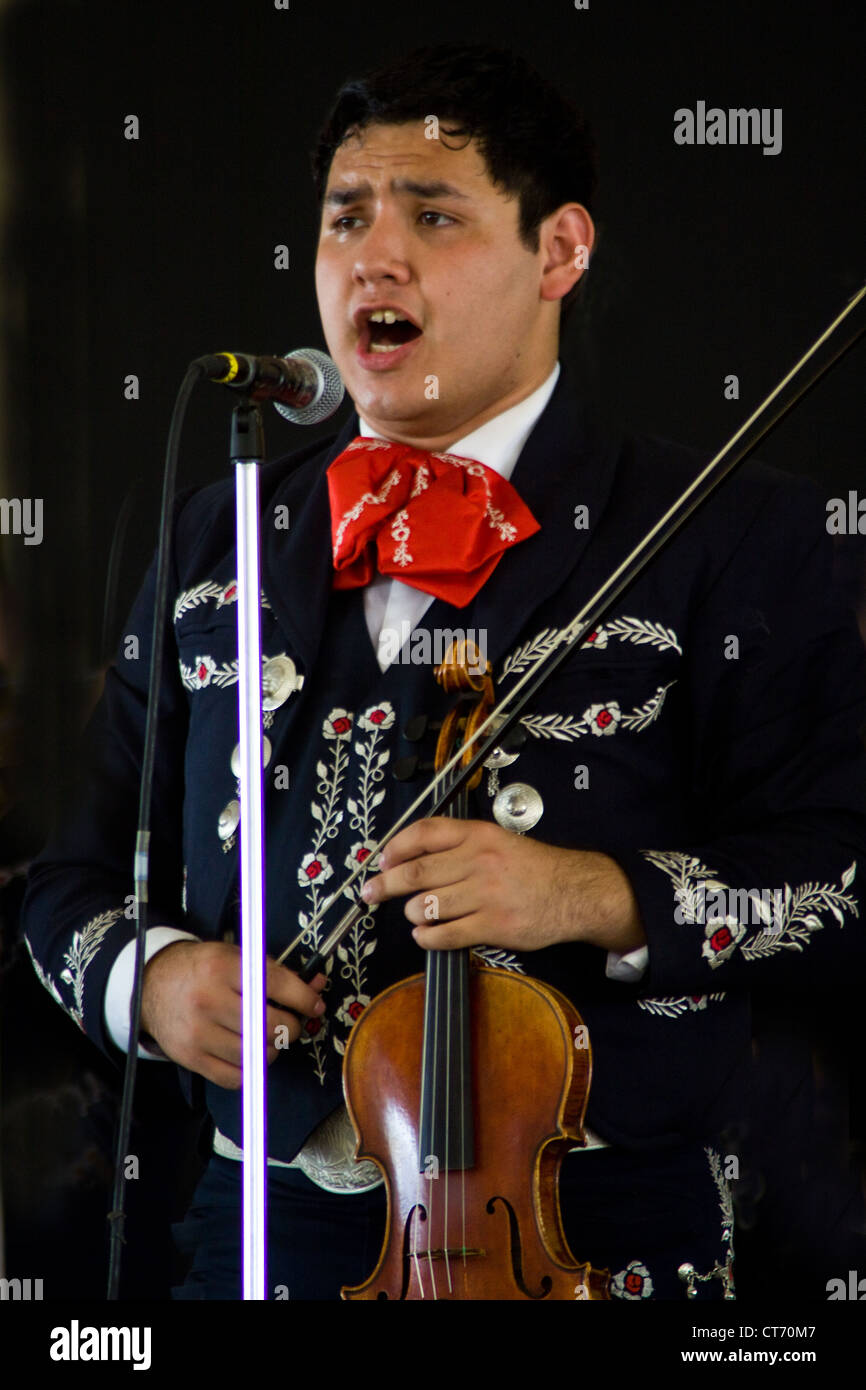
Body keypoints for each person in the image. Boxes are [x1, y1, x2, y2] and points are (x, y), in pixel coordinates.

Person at [21, 41, 866, 1301]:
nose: (375, 253)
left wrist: (595, 894)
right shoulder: (208, 534)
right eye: (345, 216)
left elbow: (839, 870)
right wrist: (154, 981)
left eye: (434, 213)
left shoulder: (727, 530)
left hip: (594, 1233)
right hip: (257, 1229)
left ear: (559, 252)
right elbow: (72, 873)